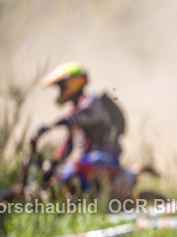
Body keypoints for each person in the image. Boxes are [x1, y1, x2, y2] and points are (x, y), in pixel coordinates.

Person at [32, 62, 126, 194]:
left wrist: (50, 127)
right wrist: (54, 163)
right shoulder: (75, 111)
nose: (60, 92)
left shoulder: (91, 102)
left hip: (106, 158)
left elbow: (75, 118)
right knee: (60, 177)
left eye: (61, 87)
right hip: (89, 162)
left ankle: (89, 204)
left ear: (72, 83)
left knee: (73, 167)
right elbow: (68, 145)